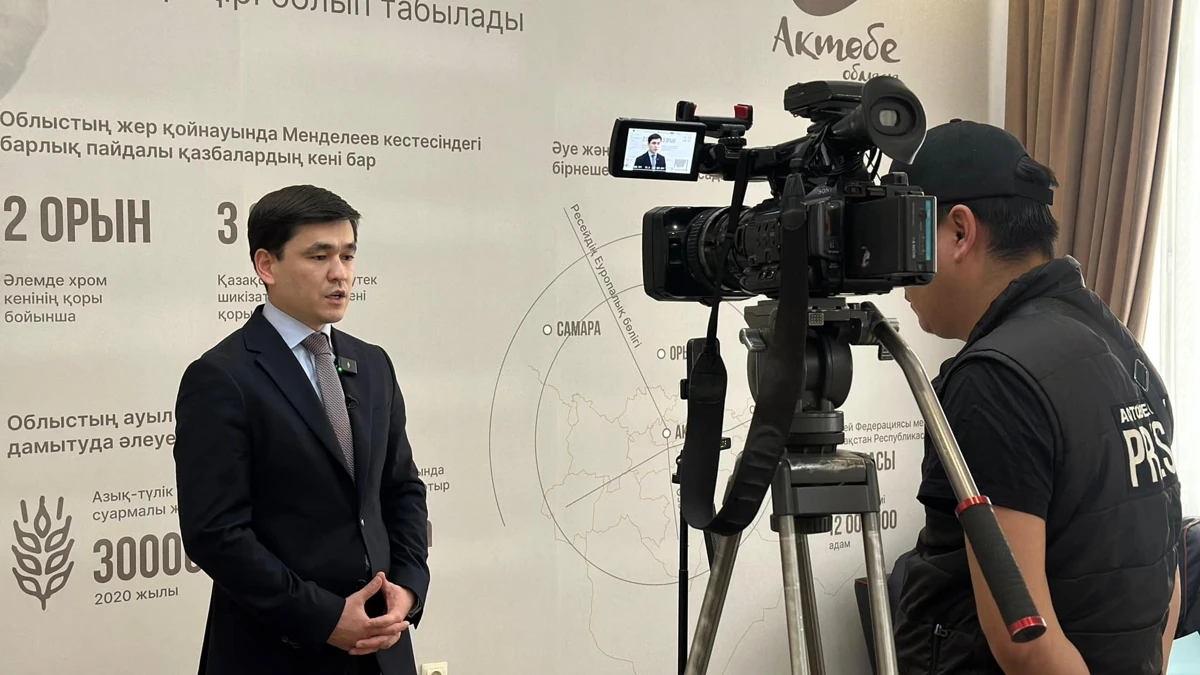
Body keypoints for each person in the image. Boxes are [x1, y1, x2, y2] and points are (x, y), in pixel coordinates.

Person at [888, 119, 1181, 675]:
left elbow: (1025, 643)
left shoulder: (995, 380)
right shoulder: (1121, 347)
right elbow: (1166, 583)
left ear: (959, 232)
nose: (900, 278)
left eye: (906, 235)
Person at [173, 185, 430, 675]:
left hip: (383, 648)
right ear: (266, 265)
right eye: (319, 256)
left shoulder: (373, 364)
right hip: (276, 651)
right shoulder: (222, 377)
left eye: (348, 255)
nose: (340, 273)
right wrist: (325, 618)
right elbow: (216, 534)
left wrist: (409, 586)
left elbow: (402, 489)